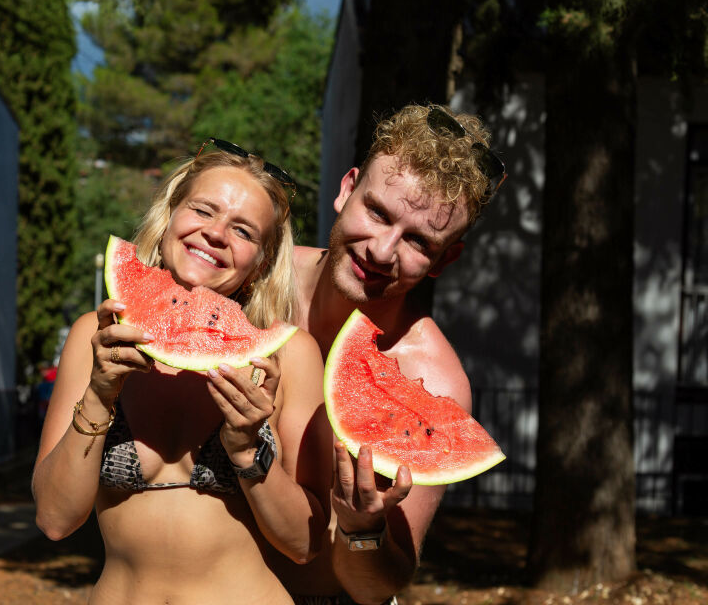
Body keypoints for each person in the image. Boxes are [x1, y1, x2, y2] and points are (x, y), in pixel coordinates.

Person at [32, 139, 332, 604]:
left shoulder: (289, 357)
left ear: (261, 262)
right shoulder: (96, 336)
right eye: (203, 210)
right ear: (169, 217)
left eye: (243, 230)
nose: (215, 233)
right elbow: (54, 520)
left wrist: (248, 451)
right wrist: (98, 395)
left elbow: (305, 545)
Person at [270, 104, 506, 605]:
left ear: (445, 259)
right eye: (377, 213)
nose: (381, 251)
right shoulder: (254, 279)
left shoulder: (434, 383)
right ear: (346, 189)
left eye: (418, 240)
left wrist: (363, 530)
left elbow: (376, 586)